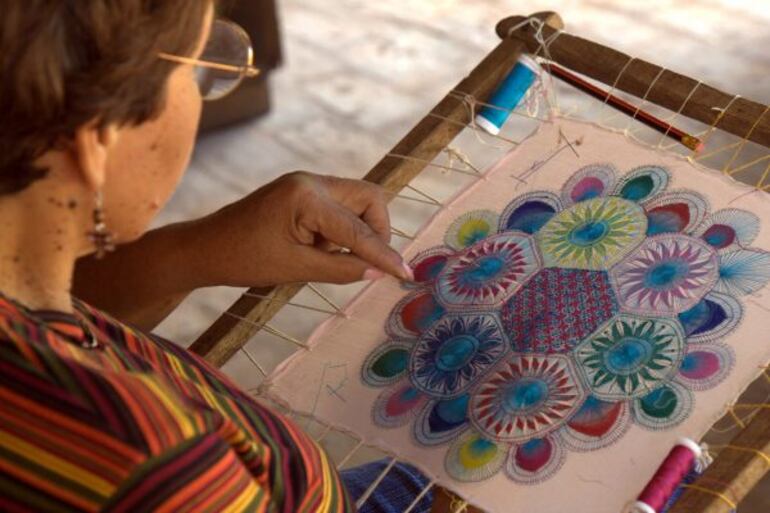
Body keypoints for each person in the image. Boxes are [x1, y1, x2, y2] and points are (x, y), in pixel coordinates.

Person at [0, 1, 485, 512]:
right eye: (195, 70)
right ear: (99, 138)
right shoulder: (154, 470)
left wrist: (193, 253)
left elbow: (62, 316)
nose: (202, 92)